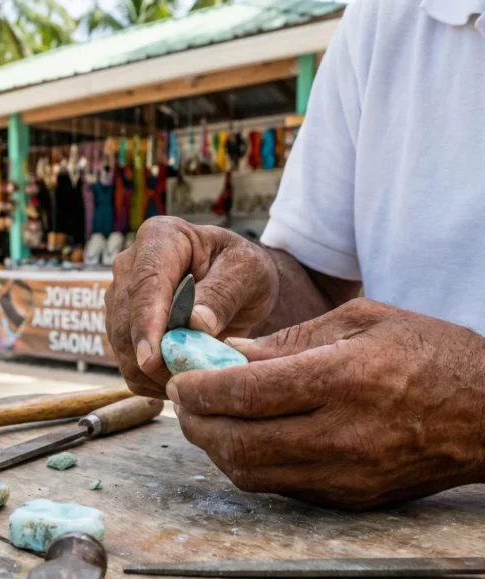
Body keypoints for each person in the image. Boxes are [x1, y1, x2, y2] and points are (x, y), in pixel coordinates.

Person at [105, 0, 485, 511]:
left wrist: (473, 408)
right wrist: (258, 282)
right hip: (400, 535)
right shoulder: (390, 15)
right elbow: (318, 282)